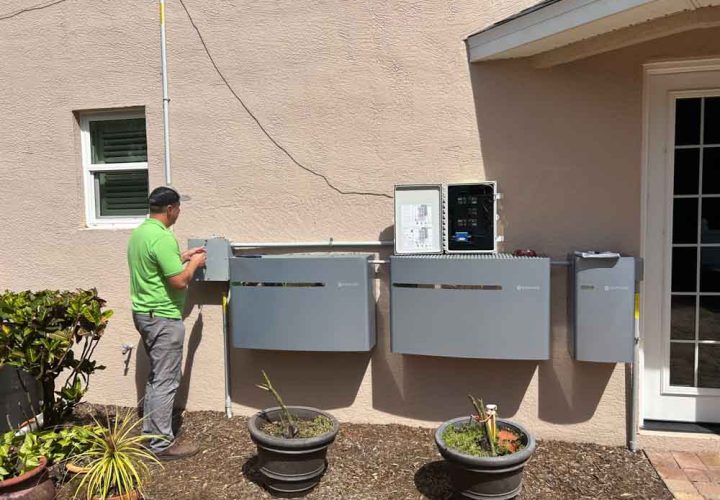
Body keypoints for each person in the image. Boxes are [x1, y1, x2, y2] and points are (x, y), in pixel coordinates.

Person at [127, 186, 207, 460]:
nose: (179, 213)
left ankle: (151, 436)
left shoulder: (140, 233)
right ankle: (161, 445)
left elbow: (157, 268)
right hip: (162, 317)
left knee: (156, 378)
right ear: (171, 209)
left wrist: (182, 258)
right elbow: (179, 281)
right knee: (166, 381)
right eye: (179, 208)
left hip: (144, 314)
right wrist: (195, 263)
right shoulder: (162, 238)